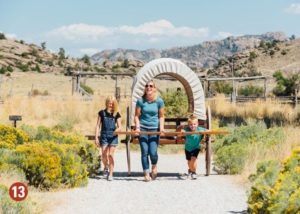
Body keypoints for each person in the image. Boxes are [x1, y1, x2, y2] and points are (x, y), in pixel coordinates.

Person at [134, 80, 165, 182]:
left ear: (154, 88)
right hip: (143, 128)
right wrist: (137, 128)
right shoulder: (140, 101)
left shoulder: (159, 101)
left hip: (154, 129)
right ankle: (146, 174)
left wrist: (161, 128)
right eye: (147, 86)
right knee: (144, 152)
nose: (149, 87)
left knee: (153, 152)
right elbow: (136, 116)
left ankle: (154, 166)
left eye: (151, 86)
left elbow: (161, 116)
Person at [95, 96, 122, 181]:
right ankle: (106, 166)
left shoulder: (116, 114)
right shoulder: (101, 113)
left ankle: (110, 174)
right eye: (109, 103)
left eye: (112, 103)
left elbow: (120, 126)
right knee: (104, 155)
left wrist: (117, 130)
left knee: (110, 155)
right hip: (104, 136)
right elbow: (98, 126)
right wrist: (96, 137)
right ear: (106, 103)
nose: (111, 105)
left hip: (113, 136)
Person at [181, 115, 207, 180]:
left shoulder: (199, 129)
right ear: (188, 125)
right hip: (188, 148)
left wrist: (204, 132)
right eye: (191, 124)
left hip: (196, 147)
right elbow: (182, 131)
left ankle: (194, 172)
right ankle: (190, 170)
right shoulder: (187, 129)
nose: (192, 126)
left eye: (194, 124)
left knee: (194, 159)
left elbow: (209, 130)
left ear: (197, 124)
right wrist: (183, 132)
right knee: (189, 161)